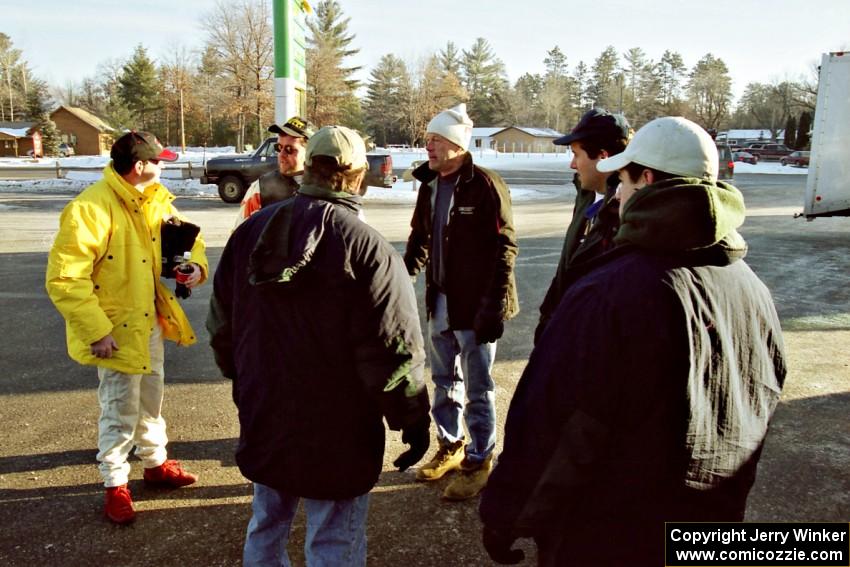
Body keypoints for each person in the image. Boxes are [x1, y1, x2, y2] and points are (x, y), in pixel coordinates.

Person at [480, 116, 787, 566]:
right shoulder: (753, 289)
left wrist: (507, 510)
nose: (616, 193)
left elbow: (556, 419)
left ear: (645, 179)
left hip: (614, 534)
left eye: (621, 180)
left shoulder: (612, 291)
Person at [207, 125, 431, 566]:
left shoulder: (252, 230)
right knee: (333, 538)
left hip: (266, 408)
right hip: (338, 425)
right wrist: (412, 417)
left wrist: (248, 380)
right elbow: (395, 348)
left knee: (267, 523)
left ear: (309, 167)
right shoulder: (368, 247)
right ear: (356, 174)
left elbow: (221, 325)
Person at [46, 131, 208, 525]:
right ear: (140, 166)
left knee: (151, 397)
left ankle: (155, 463)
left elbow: (186, 242)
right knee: (118, 408)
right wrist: (97, 330)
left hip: (149, 321)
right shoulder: (90, 210)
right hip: (115, 331)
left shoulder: (154, 199)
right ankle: (115, 483)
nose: (164, 167)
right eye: (159, 161)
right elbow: (65, 279)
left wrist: (193, 269)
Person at [404, 103, 519, 501]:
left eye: (435, 140)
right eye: (428, 140)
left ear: (456, 145)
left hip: (477, 306)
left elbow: (506, 246)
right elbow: (420, 238)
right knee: (442, 380)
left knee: (478, 386)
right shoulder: (430, 185)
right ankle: (450, 446)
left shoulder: (485, 184)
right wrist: (404, 278)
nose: (428, 147)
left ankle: (480, 458)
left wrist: (494, 307)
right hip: (441, 303)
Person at [535, 108, 631, 342]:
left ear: (603, 157)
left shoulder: (624, 213)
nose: (572, 165)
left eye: (577, 155)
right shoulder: (587, 195)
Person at [233, 116, 315, 228]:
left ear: (310, 152)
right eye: (278, 147)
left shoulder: (327, 187)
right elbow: (240, 236)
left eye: (289, 149)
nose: (281, 155)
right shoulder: (260, 188)